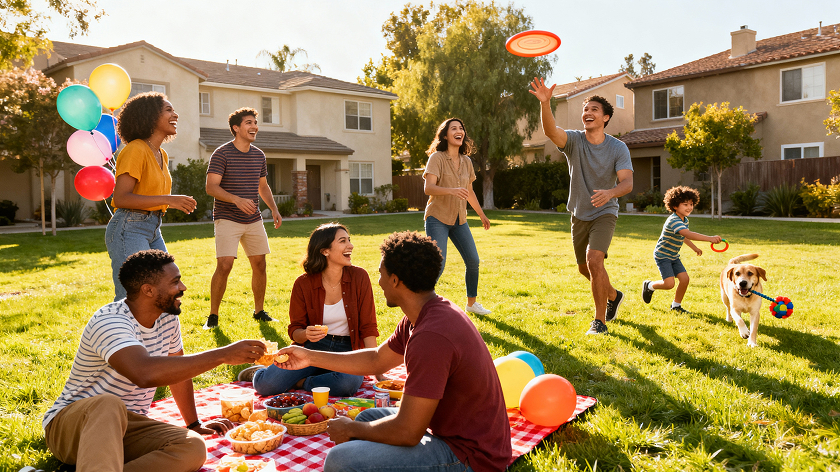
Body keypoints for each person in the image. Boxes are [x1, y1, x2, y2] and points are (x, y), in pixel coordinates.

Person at [274, 231, 512, 472]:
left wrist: (350, 429)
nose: (378, 281)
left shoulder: (432, 336)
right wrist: (309, 356)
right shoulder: (423, 312)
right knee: (367, 418)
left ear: (396, 280)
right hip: (444, 430)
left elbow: (407, 432)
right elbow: (377, 359)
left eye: (381, 274)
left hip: (470, 456)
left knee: (339, 459)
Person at [43, 249, 267, 472]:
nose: (183, 288)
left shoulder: (167, 317)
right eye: (175, 282)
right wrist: (221, 355)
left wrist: (194, 425)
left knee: (192, 447)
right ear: (148, 290)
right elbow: (144, 373)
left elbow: (177, 373)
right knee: (108, 403)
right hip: (74, 427)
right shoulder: (110, 321)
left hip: (129, 427)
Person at [529, 78, 634, 335]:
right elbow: (551, 131)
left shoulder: (618, 148)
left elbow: (628, 182)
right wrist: (545, 104)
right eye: (585, 110)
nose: (587, 113)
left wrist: (610, 193)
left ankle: (599, 321)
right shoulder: (574, 141)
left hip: (605, 211)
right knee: (584, 268)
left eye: (593, 110)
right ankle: (613, 294)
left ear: (606, 117)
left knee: (594, 260)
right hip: (579, 212)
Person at [238, 223, 383, 396]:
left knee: (347, 384)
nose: (350, 246)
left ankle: (302, 382)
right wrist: (306, 334)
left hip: (347, 349)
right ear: (324, 251)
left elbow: (368, 327)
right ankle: (259, 372)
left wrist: (377, 368)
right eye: (343, 241)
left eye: (349, 240)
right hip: (310, 349)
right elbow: (295, 330)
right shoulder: (303, 283)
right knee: (266, 386)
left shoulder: (360, 277)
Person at [106, 92, 197, 301]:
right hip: (128, 228)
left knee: (167, 288)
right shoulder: (135, 149)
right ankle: (120, 333)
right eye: (168, 110)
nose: (175, 114)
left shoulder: (161, 154)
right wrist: (169, 199)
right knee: (133, 296)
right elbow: (121, 198)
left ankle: (157, 334)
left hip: (152, 228)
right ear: (150, 116)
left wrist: (169, 200)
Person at [203, 107, 282, 329]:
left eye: (255, 122)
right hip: (227, 216)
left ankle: (259, 311)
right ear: (236, 128)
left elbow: (263, 187)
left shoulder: (259, 155)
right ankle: (213, 316)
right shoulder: (222, 153)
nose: (254, 126)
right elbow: (211, 187)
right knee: (225, 264)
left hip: (253, 218)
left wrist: (274, 209)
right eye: (249, 122)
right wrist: (236, 200)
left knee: (260, 263)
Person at [422, 118, 493, 316]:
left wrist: (481, 214)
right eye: (454, 128)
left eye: (461, 128)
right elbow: (428, 188)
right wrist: (451, 190)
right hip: (438, 217)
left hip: (460, 219)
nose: (459, 131)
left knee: (473, 260)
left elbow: (469, 191)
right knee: (439, 263)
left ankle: (472, 304)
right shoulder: (436, 158)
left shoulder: (467, 161)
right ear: (445, 135)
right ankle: (421, 304)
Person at [642, 186, 722, 312]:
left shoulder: (684, 220)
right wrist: (710, 238)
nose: (689, 207)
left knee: (685, 280)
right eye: (685, 204)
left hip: (673, 256)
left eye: (691, 204)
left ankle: (676, 306)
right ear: (675, 206)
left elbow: (683, 236)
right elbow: (688, 234)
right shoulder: (674, 220)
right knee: (669, 284)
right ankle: (650, 285)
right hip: (663, 255)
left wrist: (694, 248)